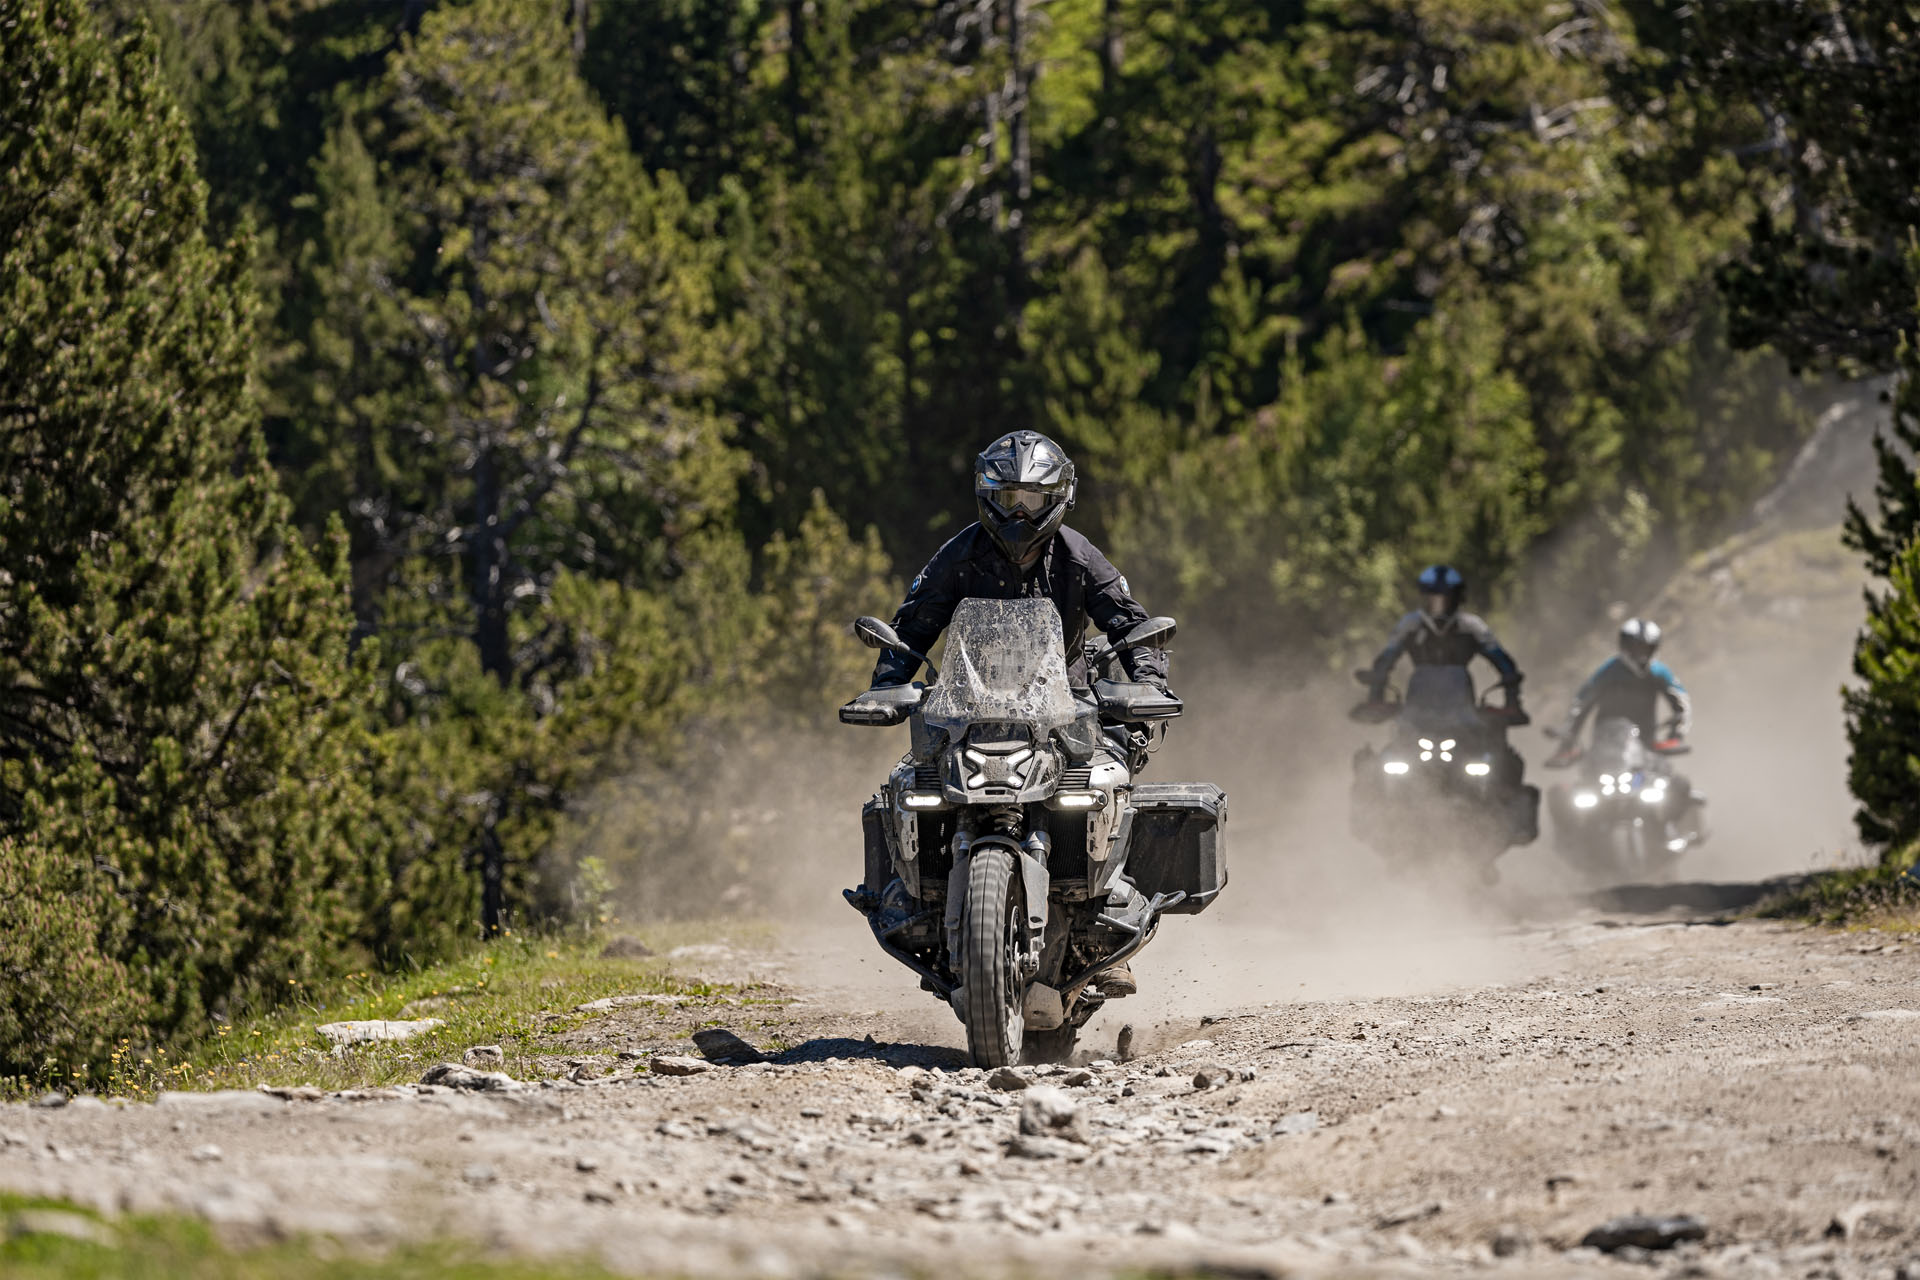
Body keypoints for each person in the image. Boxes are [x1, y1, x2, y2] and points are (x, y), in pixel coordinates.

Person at [855, 429, 1166, 998]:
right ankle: (911, 896)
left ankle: (1110, 913)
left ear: (1059, 499)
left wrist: (1148, 682)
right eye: (1007, 498)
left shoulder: (1078, 555)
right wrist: (887, 685)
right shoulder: (959, 553)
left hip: (1062, 703)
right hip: (967, 708)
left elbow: (1129, 623)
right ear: (986, 497)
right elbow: (912, 628)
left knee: (1111, 773)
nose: (1019, 512)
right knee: (911, 783)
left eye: (1033, 500)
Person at [1361, 565, 1526, 717]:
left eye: (1446, 598)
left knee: (1493, 744)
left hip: (1464, 713)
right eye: (1434, 598)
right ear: (1424, 597)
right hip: (1416, 711)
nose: (1439, 605)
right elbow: (1385, 660)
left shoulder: (1471, 626)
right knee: (1391, 746)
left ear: (1458, 598)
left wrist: (1512, 700)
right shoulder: (1410, 624)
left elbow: (1503, 662)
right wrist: (1375, 699)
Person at [1548, 618, 1692, 764]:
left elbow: (1682, 704)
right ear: (1625, 645)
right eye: (1636, 648)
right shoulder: (1609, 671)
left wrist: (1676, 736)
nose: (1641, 655)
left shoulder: (1659, 673)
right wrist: (1567, 742)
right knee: (1571, 786)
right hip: (1604, 750)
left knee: (1680, 785)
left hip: (1647, 750)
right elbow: (1580, 704)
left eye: (1646, 649)